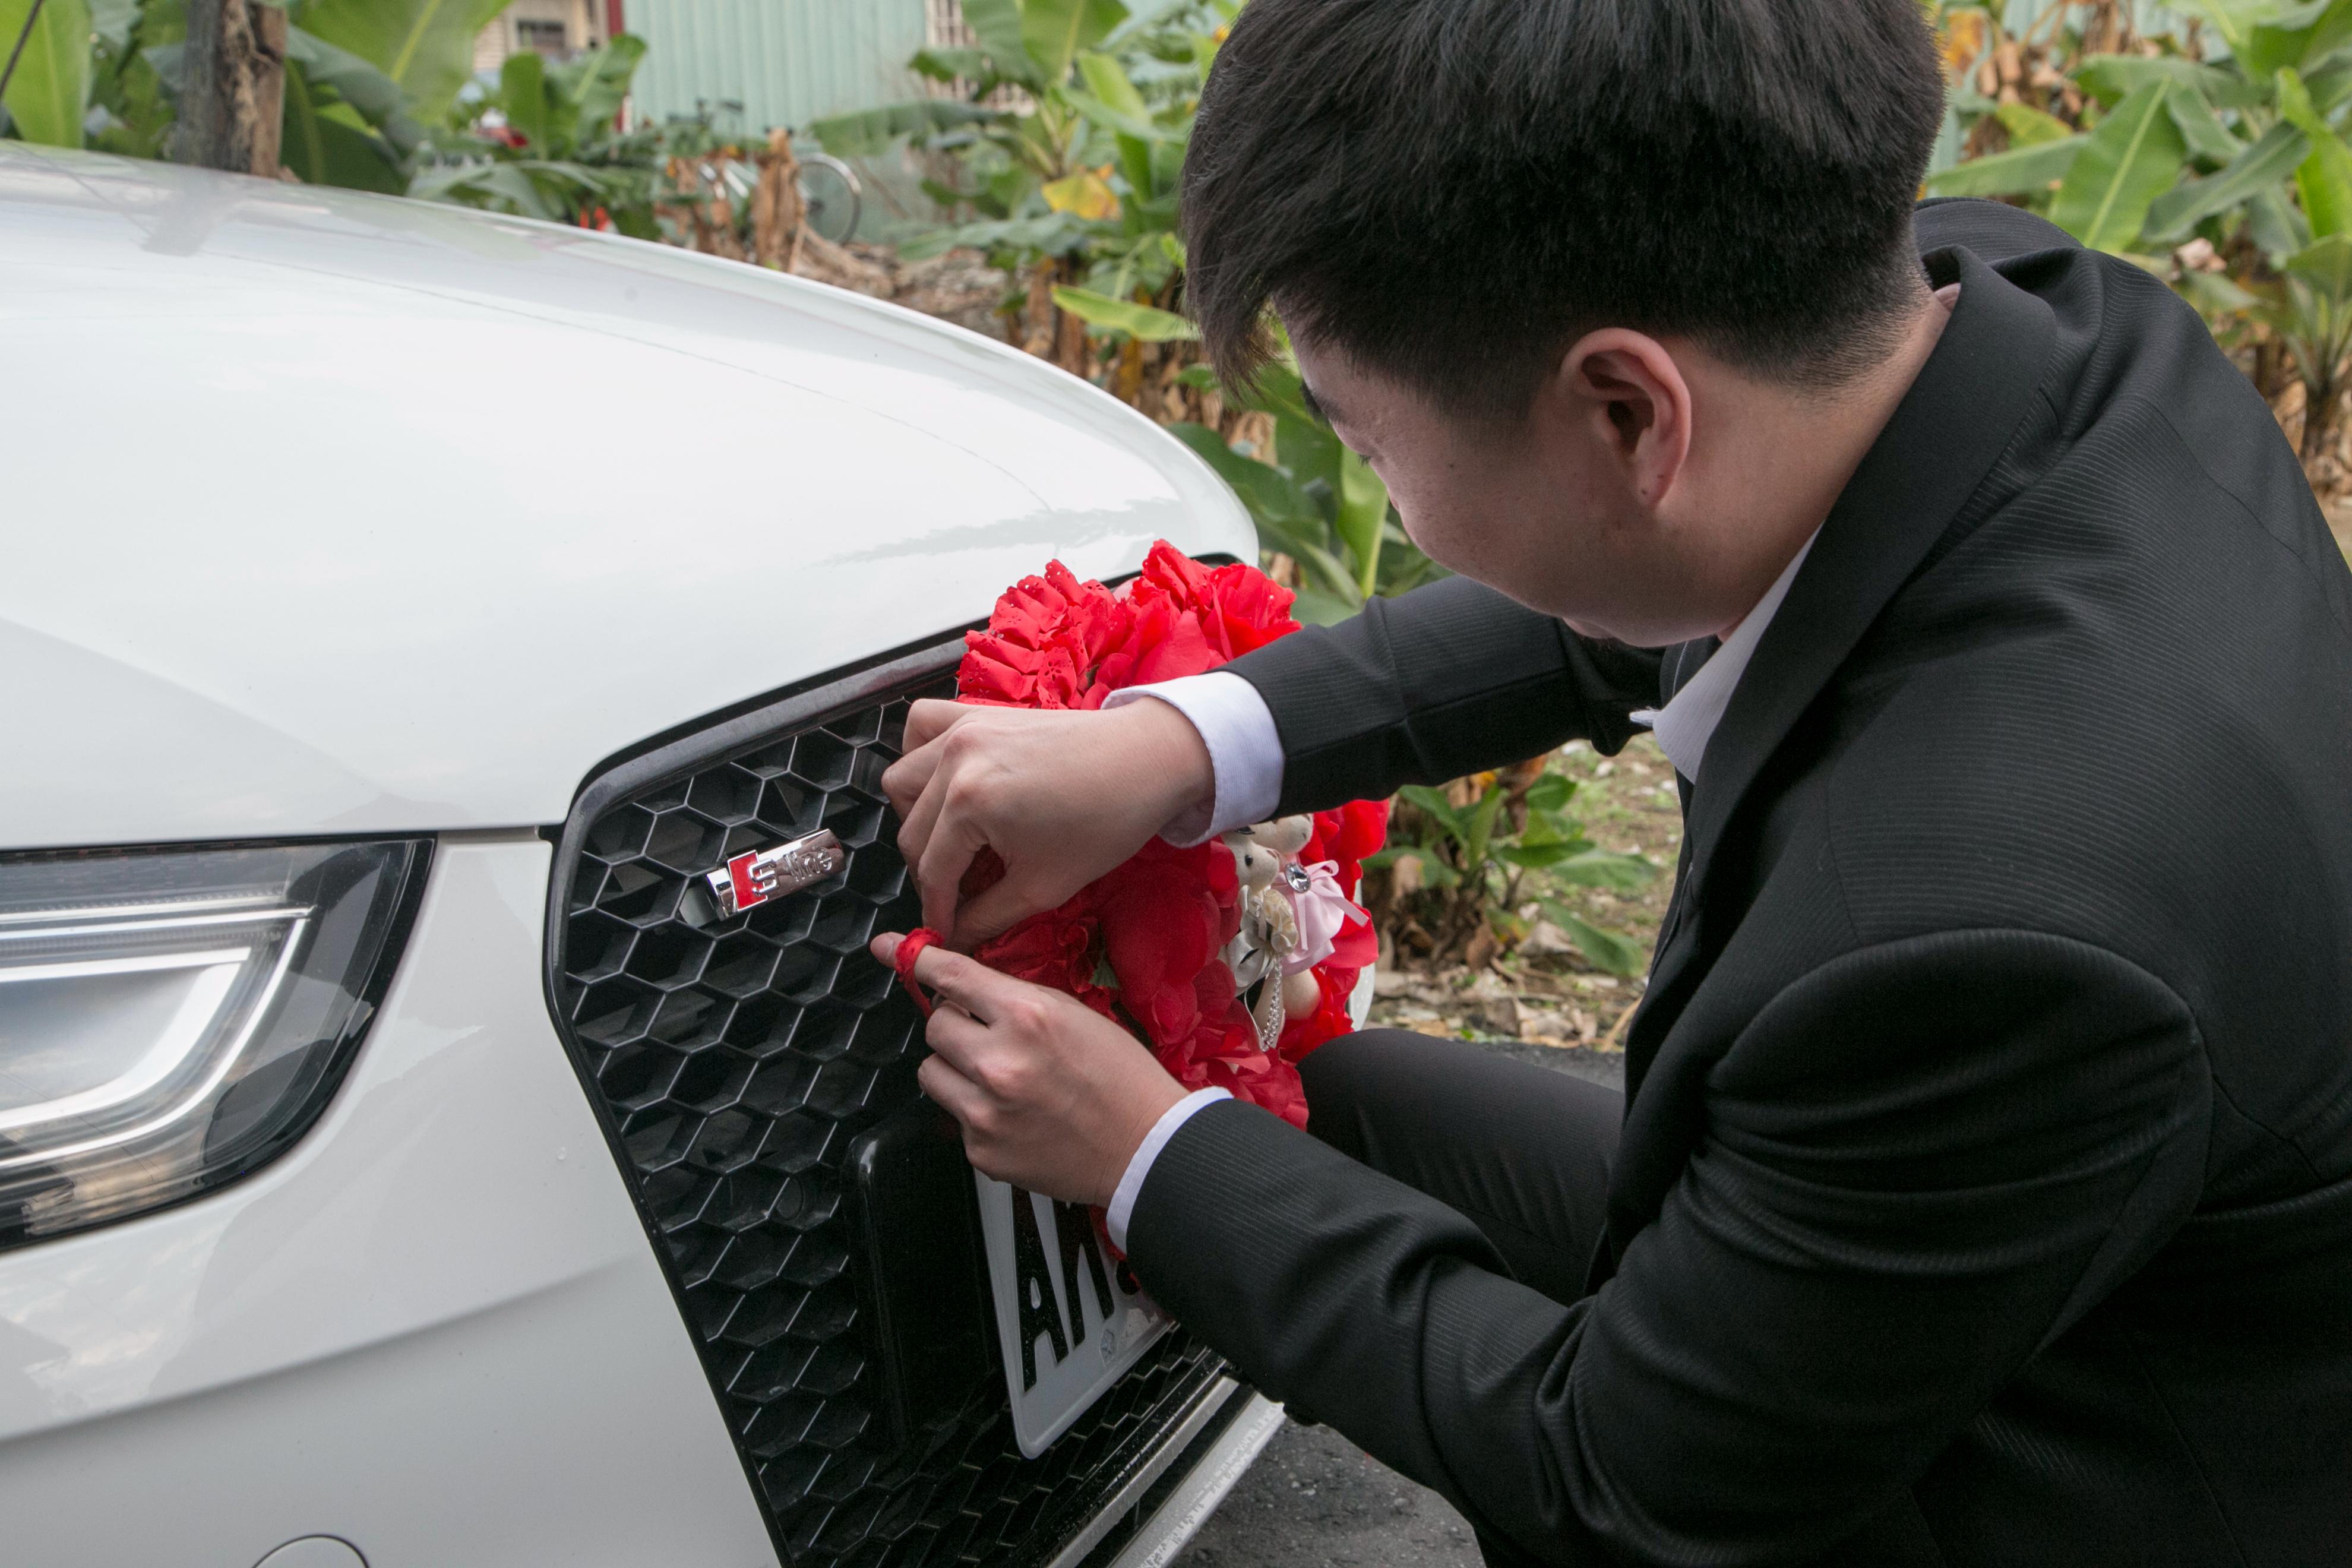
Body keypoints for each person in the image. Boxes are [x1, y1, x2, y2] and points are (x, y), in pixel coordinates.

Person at [870, 1, 2352, 1561]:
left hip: (2073, 1469)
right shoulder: (2016, 326)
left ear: (1630, 414)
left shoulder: (1985, 934)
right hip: (2016, 1242)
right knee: (1331, 1121)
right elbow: (1629, 598)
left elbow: (1622, 1488)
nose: (1379, 488)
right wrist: (1183, 741)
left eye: (1366, 443)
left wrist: (1140, 1157)